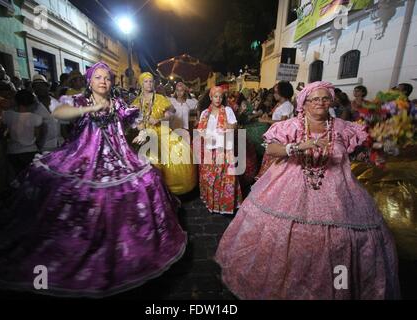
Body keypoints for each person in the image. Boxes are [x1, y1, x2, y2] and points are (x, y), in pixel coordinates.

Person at [0, 62, 186, 297]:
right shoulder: (81, 101)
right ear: (89, 81)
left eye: (107, 78)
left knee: (147, 180)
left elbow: (133, 120)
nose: (103, 81)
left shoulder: (118, 103)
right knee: (76, 193)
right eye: (98, 77)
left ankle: (126, 246)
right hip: (85, 158)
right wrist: (86, 110)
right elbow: (59, 112)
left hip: (119, 159)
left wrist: (142, 129)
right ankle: (83, 250)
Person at [215, 81, 400, 299]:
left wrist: (383, 145)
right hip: (290, 187)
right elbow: (272, 149)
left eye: (325, 98)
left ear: (331, 101)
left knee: (340, 241)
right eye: (315, 99)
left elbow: (360, 149)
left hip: (339, 192)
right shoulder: (292, 125)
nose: (321, 103)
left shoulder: (342, 126)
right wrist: (297, 146)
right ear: (305, 102)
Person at [132, 72, 197, 195]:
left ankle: (173, 189)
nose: (149, 83)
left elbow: (171, 112)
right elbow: (135, 121)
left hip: (163, 131)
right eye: (146, 81)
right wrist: (141, 129)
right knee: (150, 161)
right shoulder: (136, 102)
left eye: (151, 81)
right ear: (141, 84)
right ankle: (155, 192)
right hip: (147, 135)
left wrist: (159, 119)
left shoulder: (161, 99)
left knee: (179, 153)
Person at [197, 86, 242, 214]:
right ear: (211, 97)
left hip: (225, 148)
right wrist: (206, 136)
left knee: (226, 175)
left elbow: (234, 125)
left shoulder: (227, 110)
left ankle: (225, 205)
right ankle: (213, 203)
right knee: (211, 176)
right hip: (210, 148)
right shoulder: (205, 113)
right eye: (215, 96)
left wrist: (230, 126)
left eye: (220, 97)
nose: (218, 99)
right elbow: (200, 130)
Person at [2, 89, 43, 175]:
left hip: (12, 152)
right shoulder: (36, 118)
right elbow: (38, 136)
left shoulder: (7, 114)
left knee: (18, 177)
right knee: (31, 178)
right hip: (30, 151)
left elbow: (5, 132)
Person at [31, 74, 64, 152]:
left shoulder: (57, 103)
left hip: (60, 144)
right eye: (36, 86)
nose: (39, 88)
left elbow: (63, 125)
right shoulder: (32, 107)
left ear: (47, 87)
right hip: (43, 147)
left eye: (41, 85)